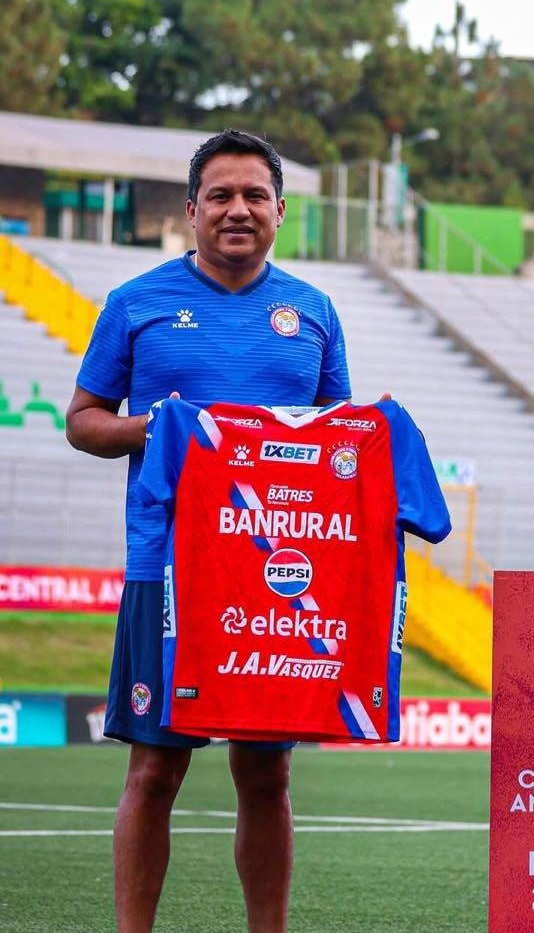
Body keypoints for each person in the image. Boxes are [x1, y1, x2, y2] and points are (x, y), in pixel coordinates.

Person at [66, 129, 354, 933]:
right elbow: (83, 420)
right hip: (167, 570)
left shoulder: (315, 312)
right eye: (220, 195)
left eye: (254, 195)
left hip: (275, 578)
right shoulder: (136, 302)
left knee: (267, 775)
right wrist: (157, 427)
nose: (238, 209)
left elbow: (339, 443)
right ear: (191, 209)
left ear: (280, 210)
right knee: (155, 770)